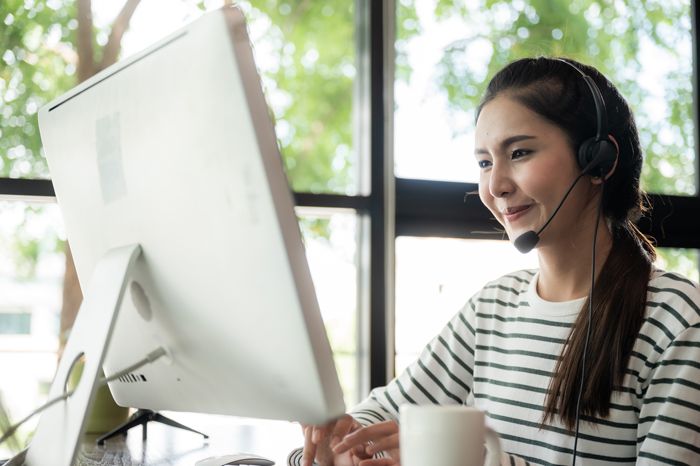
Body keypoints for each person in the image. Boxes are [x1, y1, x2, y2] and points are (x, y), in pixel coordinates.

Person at [298, 56, 700, 465]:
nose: (495, 185)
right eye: (484, 162)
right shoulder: (494, 305)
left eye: (520, 152)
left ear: (598, 161)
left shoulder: (677, 320)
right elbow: (386, 410)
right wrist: (343, 441)